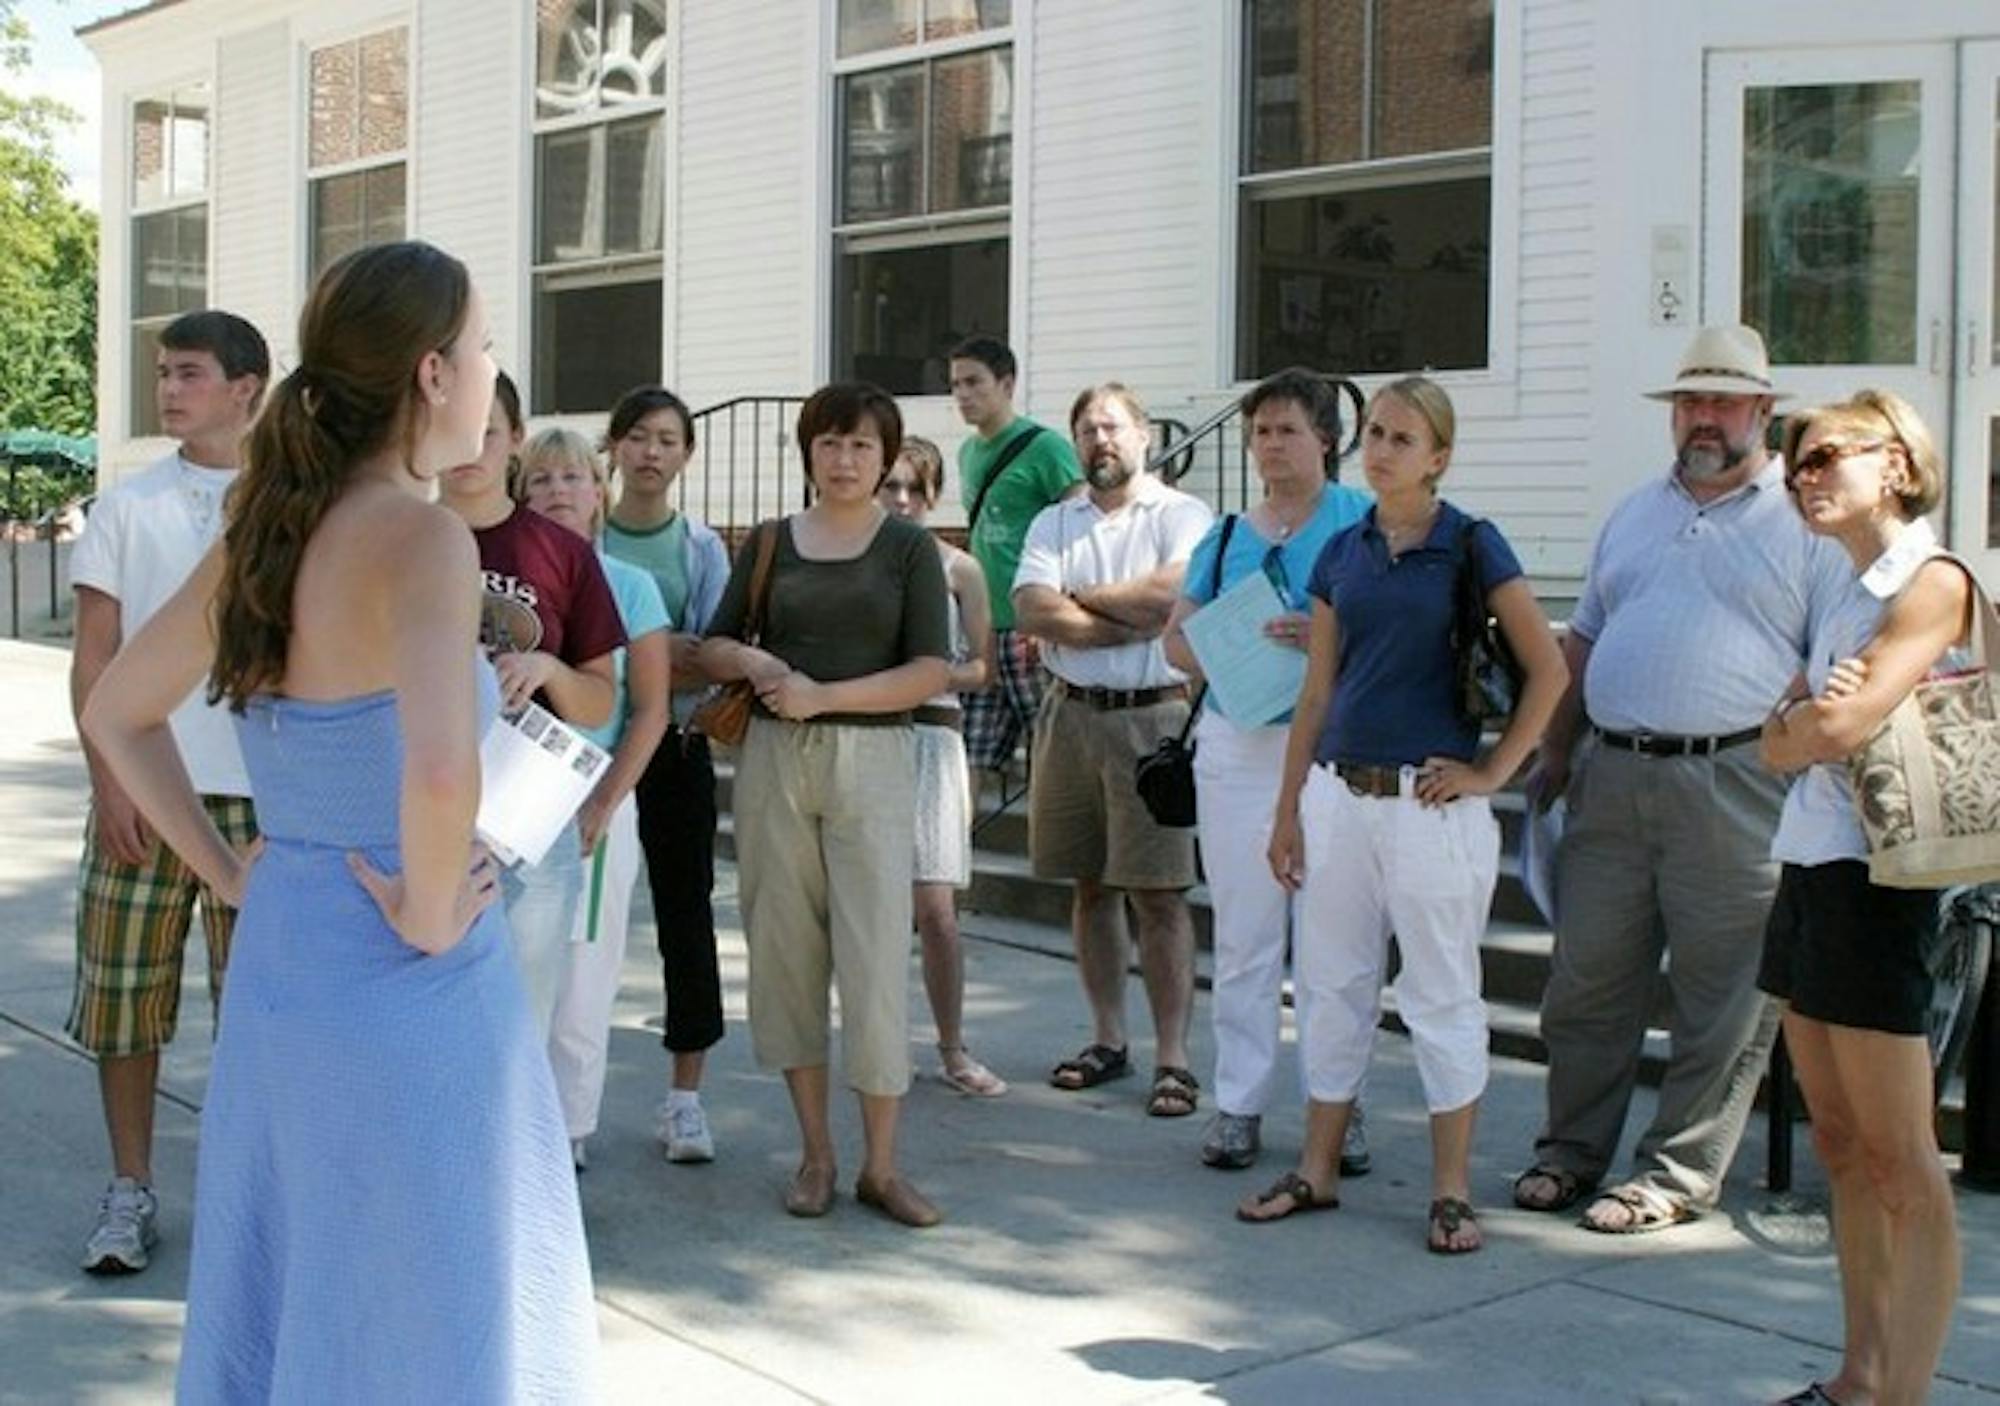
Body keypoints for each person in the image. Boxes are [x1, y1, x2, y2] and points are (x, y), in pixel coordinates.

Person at [80, 240, 597, 1397]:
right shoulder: (422, 536)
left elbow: (117, 712)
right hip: (405, 964)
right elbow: (439, 767)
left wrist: (228, 872)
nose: (489, 366)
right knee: (429, 1291)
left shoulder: (268, 531)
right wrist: (428, 909)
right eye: (481, 345)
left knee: (310, 1267)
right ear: (430, 372)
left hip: (287, 949)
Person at [1513, 325, 1850, 1234]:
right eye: (1691, 401)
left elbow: (1832, 658)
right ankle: (1569, 1151)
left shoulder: (1807, 524)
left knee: (1723, 997)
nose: (1704, 417)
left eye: (1723, 402)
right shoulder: (1633, 511)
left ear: (1763, 412)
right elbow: (1583, 638)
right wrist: (1555, 749)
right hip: (1612, 772)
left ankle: (1674, 1174)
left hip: (1736, 780)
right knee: (1587, 982)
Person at [1243, 376, 1565, 1255]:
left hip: (1429, 807)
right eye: (1376, 434)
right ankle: (1316, 1167)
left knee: (1440, 994)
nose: (1381, 451)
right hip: (1338, 796)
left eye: (1402, 439)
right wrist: (1287, 810)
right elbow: (1317, 692)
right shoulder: (1341, 552)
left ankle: (1450, 1189)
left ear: (1439, 458)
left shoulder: (1471, 544)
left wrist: (1492, 771)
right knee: (1330, 987)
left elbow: (1549, 669)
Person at [1758, 390, 1972, 1406]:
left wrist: (1803, 725)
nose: (1803, 476)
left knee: (1902, 1159)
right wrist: (1800, 725)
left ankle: (1903, 1393)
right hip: (1811, 863)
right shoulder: (1840, 586)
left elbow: (1834, 730)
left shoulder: (1933, 580)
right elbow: (1777, 741)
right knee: (1838, 1142)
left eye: (1825, 456)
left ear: (1895, 463)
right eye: (1793, 462)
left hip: (1880, 881)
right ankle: (1859, 1375)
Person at [697, 382, 951, 1227]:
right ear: (808, 450)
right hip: (774, 758)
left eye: (862, 445)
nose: (845, 460)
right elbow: (713, 644)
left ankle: (883, 1165)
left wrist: (825, 695)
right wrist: (759, 666)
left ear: (887, 457)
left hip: (874, 758)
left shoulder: (910, 548)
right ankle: (816, 1154)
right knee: (784, 953)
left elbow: (930, 669)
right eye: (830, 443)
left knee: (874, 956)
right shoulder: (771, 540)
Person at [66, 308, 269, 1274]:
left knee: (259, 1011)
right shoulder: (124, 508)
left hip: (261, 801)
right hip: (146, 793)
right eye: (162, 372)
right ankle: (129, 1188)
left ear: (246, 388)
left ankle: (248, 1199)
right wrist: (108, 781)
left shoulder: (291, 507)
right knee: (124, 1000)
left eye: (190, 372)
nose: (169, 389)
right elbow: (94, 657)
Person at [1161, 368, 1372, 1172]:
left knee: (1333, 943)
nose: (1271, 445)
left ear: (1327, 439)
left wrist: (1323, 639)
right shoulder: (1224, 537)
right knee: (1246, 936)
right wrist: (1232, 643)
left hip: (1337, 745)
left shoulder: (1361, 521)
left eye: (1288, 429)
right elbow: (1175, 642)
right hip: (1240, 743)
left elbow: (1396, 627)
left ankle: (1337, 1107)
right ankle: (1239, 1103)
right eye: (1261, 432)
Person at [1013, 382, 1214, 1117]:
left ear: (1145, 436)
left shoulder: (1183, 515)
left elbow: (1172, 599)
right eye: (1087, 430)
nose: (1100, 440)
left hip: (1152, 721)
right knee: (1090, 886)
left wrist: (1081, 595)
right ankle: (1108, 1039)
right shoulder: (1054, 519)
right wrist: (1121, 614)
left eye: (1113, 427)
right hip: (1069, 717)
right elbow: (1031, 608)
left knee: (1160, 895)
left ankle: (1174, 1059)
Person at [439, 371, 624, 1040]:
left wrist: (548, 668)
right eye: (452, 430)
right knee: (428, 1021)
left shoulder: (562, 553)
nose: (468, 448)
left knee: (519, 1029)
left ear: (516, 438)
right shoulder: (396, 539)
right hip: (419, 799)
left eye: (485, 432)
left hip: (526, 813)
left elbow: (600, 701)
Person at [519, 427, 672, 1171]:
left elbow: (650, 709)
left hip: (590, 788)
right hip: (505, 789)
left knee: (582, 975)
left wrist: (605, 803)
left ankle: (566, 1131)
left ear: (597, 492)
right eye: (541, 479)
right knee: (509, 973)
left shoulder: (629, 586)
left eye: (572, 477)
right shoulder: (498, 577)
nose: (557, 491)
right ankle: (510, 1125)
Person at [603, 385, 732, 1163]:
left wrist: (628, 656)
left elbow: (713, 655)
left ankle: (686, 1098)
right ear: (614, 446)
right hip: (586, 749)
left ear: (686, 454)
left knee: (687, 917)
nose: (651, 452)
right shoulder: (581, 534)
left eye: (667, 440)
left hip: (675, 748)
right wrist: (661, 651)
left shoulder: (701, 548)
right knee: (577, 924)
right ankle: (562, 1098)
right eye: (638, 437)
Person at [877, 434, 1007, 1097]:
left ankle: (953, 1047)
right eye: (891, 486)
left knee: (935, 908)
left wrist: (929, 675)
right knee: (867, 906)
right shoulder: (855, 560)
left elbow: (984, 668)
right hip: (868, 737)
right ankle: (878, 1046)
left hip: (931, 736)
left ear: (932, 496)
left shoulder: (961, 569)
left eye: (914, 488)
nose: (901, 500)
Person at [949, 336, 1084, 771]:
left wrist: (1055, 615)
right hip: (984, 625)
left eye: (974, 382)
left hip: (1031, 629)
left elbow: (1081, 529)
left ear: (1006, 384)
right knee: (968, 756)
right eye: (956, 384)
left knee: (1051, 752)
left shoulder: (1046, 448)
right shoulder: (968, 452)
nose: (963, 394)